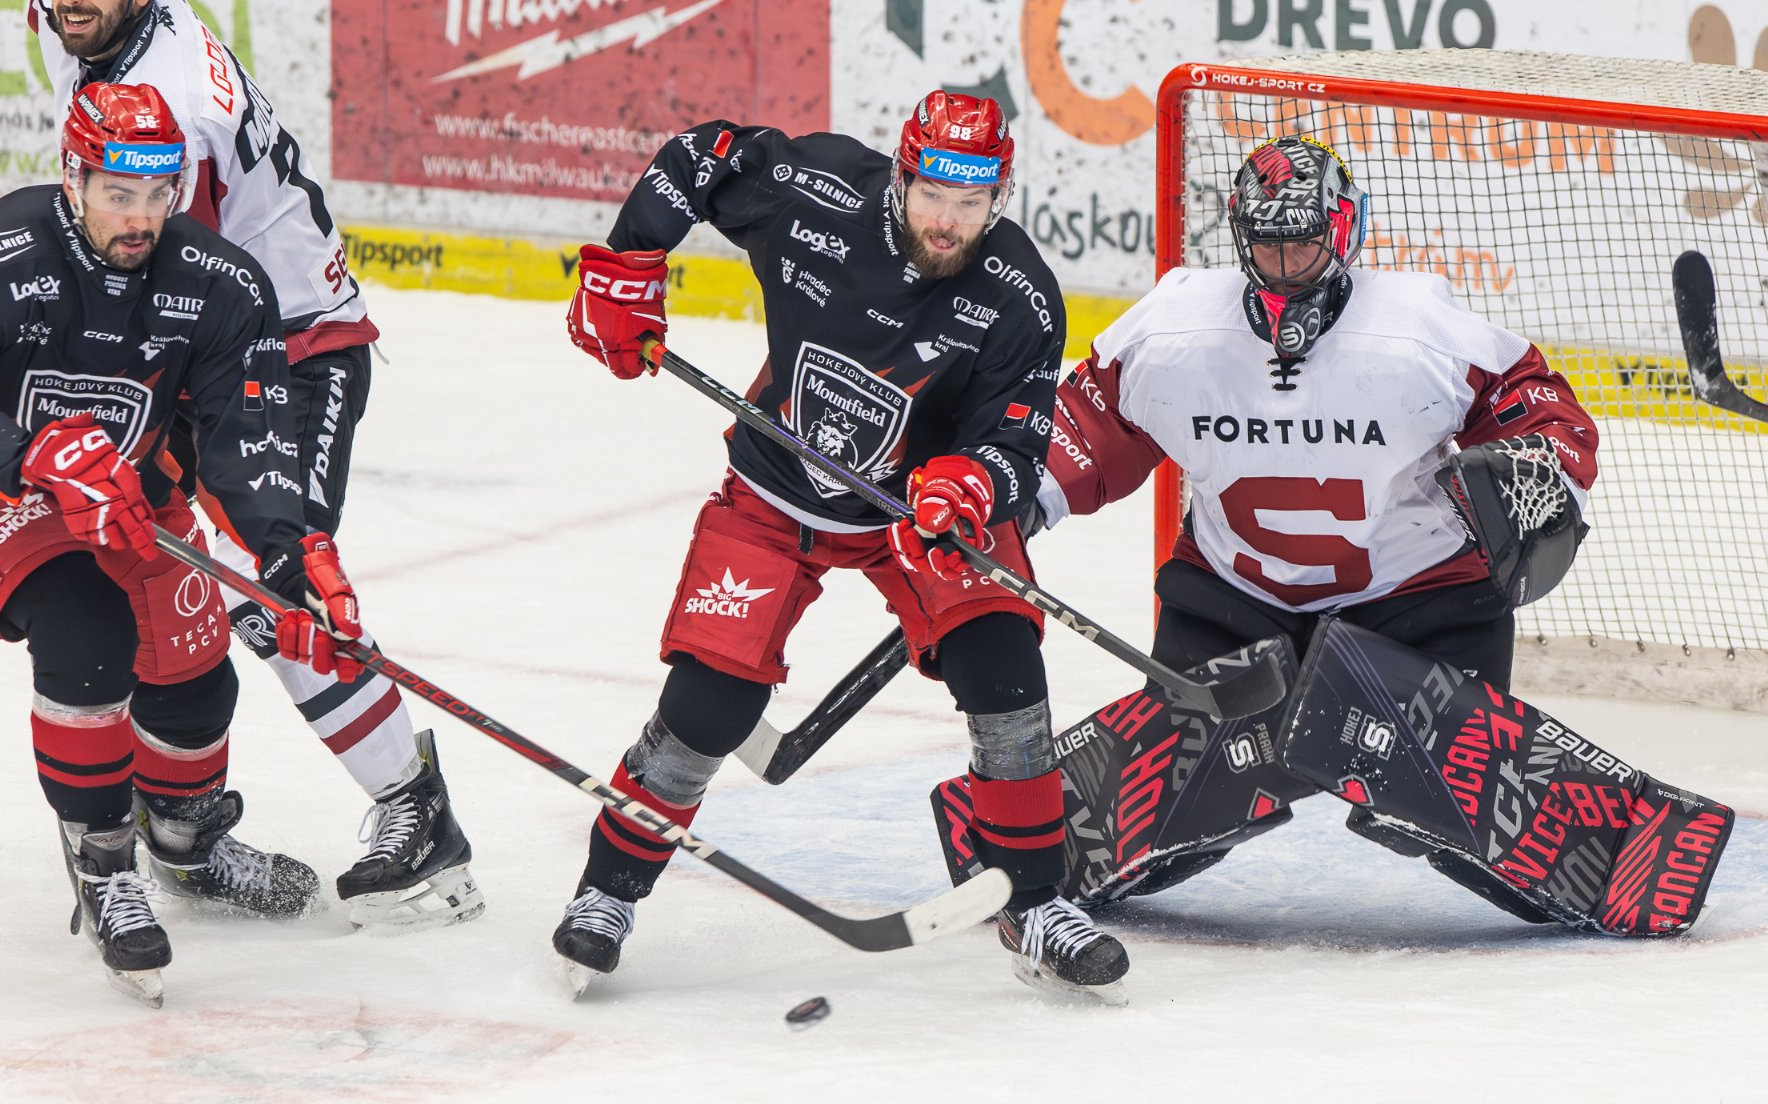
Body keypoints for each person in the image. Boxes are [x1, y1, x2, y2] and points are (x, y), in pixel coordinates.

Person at [0, 0, 480, 929]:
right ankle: (174, 825)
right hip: (206, 336)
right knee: (186, 590)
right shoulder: (118, 7)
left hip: (287, 346)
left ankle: (412, 802)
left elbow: (166, 282)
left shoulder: (180, 114)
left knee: (270, 582)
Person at [555, 91, 1130, 1003]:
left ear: (1000, 197)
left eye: (972, 203)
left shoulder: (1020, 296)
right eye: (932, 194)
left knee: (1005, 670)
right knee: (710, 704)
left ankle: (1035, 903)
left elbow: (1014, 447)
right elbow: (702, 156)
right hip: (773, 495)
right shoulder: (813, 191)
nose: (947, 221)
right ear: (902, 176)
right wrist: (628, 264)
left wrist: (970, 487)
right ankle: (608, 891)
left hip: (918, 518)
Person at [0, 83, 380, 1002]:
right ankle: (104, 862)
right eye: (118, 193)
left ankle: (186, 843)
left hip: (119, 488)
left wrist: (290, 554)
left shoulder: (222, 284)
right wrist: (33, 452)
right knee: (89, 630)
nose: (141, 217)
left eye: (159, 193)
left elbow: (248, 439)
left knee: (195, 663)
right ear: (73, 178)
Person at [1033, 133, 1600, 915]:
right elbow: (1085, 425)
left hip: (1416, 607)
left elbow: (1539, 407)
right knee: (1174, 828)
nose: (1285, 263)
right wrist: (1016, 494)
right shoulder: (1173, 328)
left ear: (1343, 230)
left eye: (1303, 243)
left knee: (1443, 822)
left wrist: (1538, 469)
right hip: (1233, 603)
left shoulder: (1416, 327)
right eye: (1268, 246)